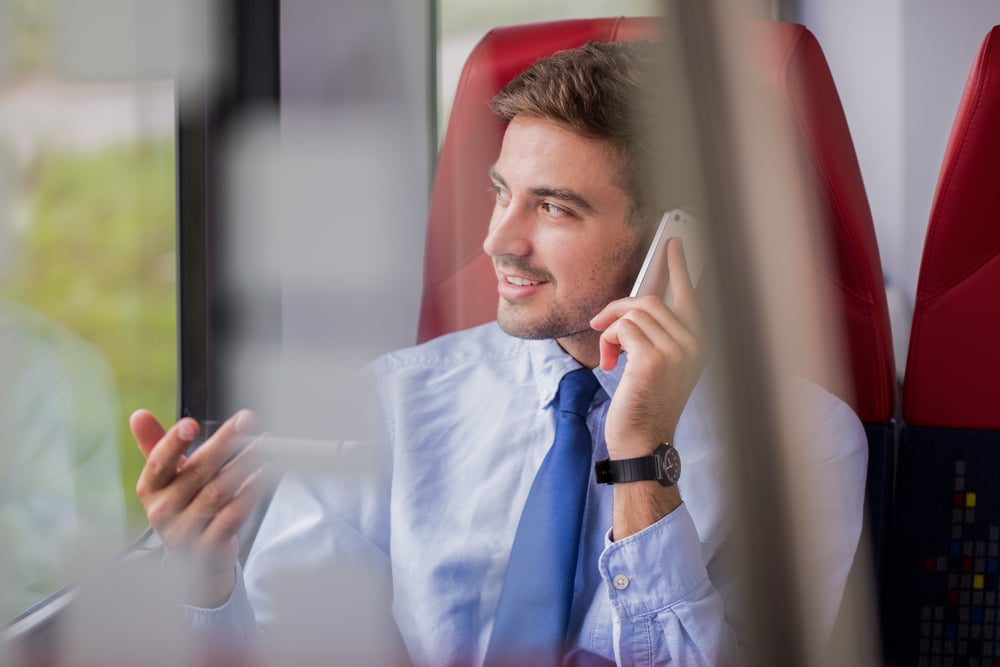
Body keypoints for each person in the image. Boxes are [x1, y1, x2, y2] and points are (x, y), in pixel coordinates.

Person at [128, 40, 867, 666]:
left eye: (552, 207)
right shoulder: (392, 403)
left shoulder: (805, 445)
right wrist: (206, 585)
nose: (497, 241)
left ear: (673, 243)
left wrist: (643, 452)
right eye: (500, 193)